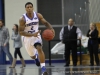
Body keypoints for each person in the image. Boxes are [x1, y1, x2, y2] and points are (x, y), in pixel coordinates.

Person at [18, 2, 55, 75]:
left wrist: (51, 28)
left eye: (30, 7)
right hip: (27, 37)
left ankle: (43, 69)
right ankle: (35, 58)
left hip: (36, 35)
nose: (29, 8)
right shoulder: (22, 19)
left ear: (33, 8)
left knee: (39, 48)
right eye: (27, 7)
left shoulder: (38, 15)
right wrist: (32, 34)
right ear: (25, 9)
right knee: (32, 55)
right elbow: (21, 32)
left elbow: (45, 23)